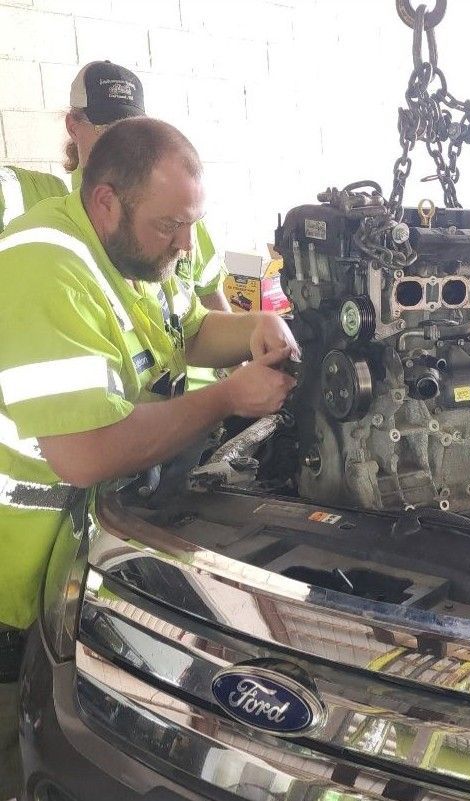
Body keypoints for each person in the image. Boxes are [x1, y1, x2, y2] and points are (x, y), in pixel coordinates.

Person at [0, 117, 298, 796]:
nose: (186, 245)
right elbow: (83, 452)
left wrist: (256, 326)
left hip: (88, 561)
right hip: (14, 589)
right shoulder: (44, 266)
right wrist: (226, 398)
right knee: (32, 755)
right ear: (104, 201)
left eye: (191, 224)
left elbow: (186, 330)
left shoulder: (139, 252)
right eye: (169, 226)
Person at [0, 60, 230, 312]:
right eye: (107, 129)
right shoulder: (28, 197)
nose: (123, 145)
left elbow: (211, 300)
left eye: (132, 131)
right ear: (73, 126)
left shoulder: (181, 219)